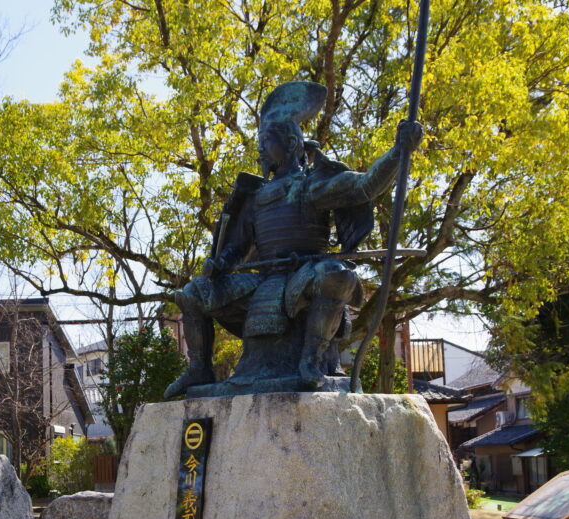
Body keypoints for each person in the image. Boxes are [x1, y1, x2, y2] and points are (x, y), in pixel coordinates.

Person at [165, 81, 422, 398]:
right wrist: (220, 264)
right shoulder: (256, 196)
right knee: (192, 293)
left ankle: (311, 360)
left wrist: (398, 152)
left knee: (337, 276)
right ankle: (198, 368)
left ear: (289, 143)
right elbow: (238, 247)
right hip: (264, 278)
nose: (261, 148)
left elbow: (365, 186)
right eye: (260, 141)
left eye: (267, 140)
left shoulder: (310, 184)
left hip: (305, 272)